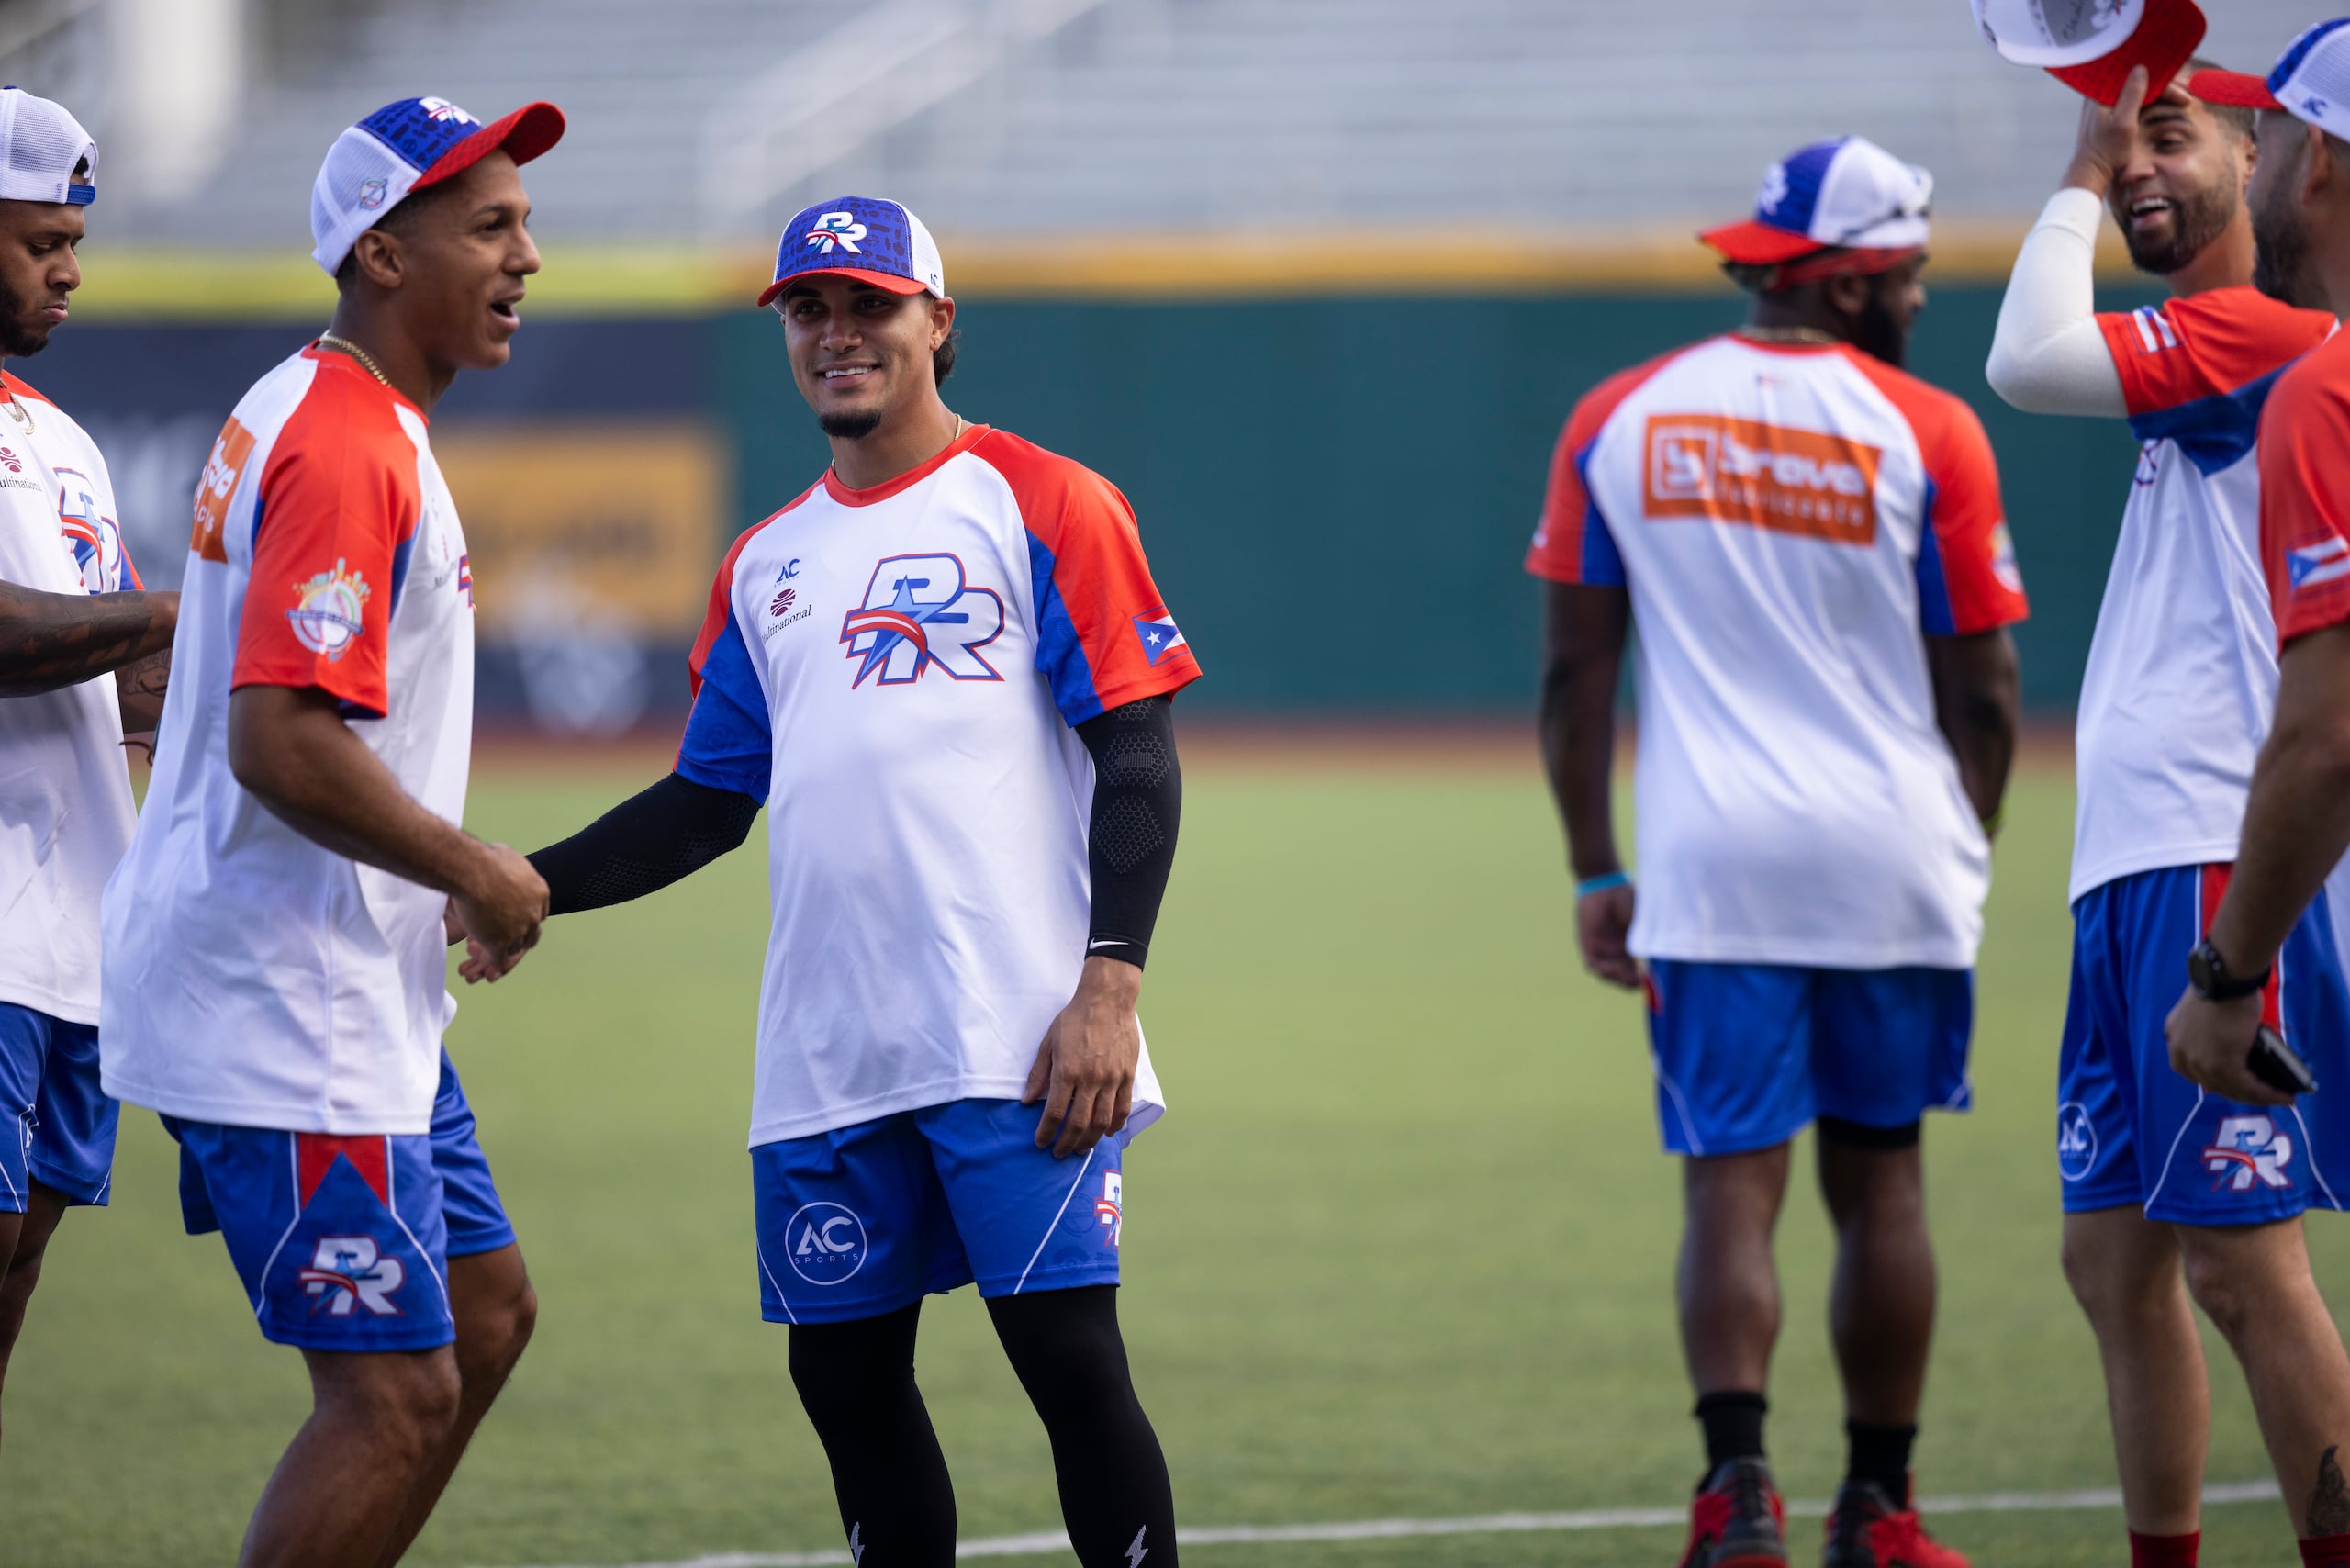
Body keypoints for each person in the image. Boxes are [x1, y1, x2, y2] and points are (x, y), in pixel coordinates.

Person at [509, 196, 1198, 1568]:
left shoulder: (1040, 498)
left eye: (870, 305)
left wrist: (1108, 989)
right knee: (843, 1383)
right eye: (809, 310)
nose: (838, 334)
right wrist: (518, 883)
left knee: (1068, 1360)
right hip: (828, 1051)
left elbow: (1137, 751)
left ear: (938, 322)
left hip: (1015, 1035)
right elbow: (709, 801)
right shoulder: (765, 562)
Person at [1528, 137, 2024, 1568]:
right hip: (1893, 862)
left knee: (1727, 1185)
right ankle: (1882, 1507)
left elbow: (1575, 676)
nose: (1926, 298)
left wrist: (1592, 868)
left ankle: (1736, 1495)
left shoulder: (1620, 416)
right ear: (1858, 280)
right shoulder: (1930, 430)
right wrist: (1965, 839)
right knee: (1884, 1179)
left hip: (1709, 866)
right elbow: (1983, 686)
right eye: (1914, 276)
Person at [96, 95, 562, 1568]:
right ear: (381, 251)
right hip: (280, 1003)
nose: (525, 254)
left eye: (522, 222)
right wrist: (471, 867)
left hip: (349, 986)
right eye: (489, 224)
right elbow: (281, 738)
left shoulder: (332, 408)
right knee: (389, 1395)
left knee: (485, 1320)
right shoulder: (349, 441)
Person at [1986, 57, 2344, 1568]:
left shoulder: (2266, 336)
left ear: (2270, 152)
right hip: (2139, 861)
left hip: (2207, 853)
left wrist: (2071, 162)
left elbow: (2025, 356)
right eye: (2121, 138)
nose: (2133, 161)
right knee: (2113, 1259)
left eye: (2168, 132)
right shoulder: (2220, 346)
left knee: (2238, 1270)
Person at [2161, 23, 2350, 1567]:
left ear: (2326, 167)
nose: (2257, 162)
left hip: (2260, 896)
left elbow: (2328, 737)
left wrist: (2229, 973)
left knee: (2239, 1264)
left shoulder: (2326, 396)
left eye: (2271, 136)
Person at [0, 85, 175, 1450]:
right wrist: (178, 615)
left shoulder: (62, 441)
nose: (68, 268)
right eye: (37, 239)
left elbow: (127, 679)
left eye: (75, 240)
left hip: (77, 945)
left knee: (17, 1278)